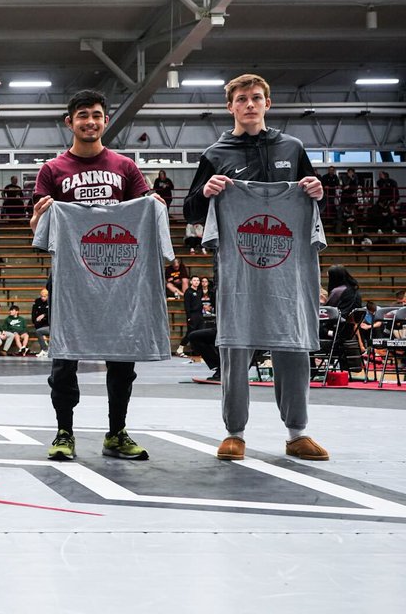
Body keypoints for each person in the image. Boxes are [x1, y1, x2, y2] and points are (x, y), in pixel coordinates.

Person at [183, 73, 328, 462]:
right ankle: (234, 433)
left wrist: (319, 193)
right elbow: (190, 211)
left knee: (293, 348)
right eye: (242, 99)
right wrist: (206, 192)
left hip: (289, 272)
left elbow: (321, 206)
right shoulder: (216, 154)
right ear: (230, 106)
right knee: (234, 348)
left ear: (268, 103)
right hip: (237, 272)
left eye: (257, 98)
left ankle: (298, 432)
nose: (250, 104)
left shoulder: (293, 148)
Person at [31, 88, 159, 462]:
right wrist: (40, 216)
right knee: (64, 359)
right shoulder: (52, 170)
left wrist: (156, 207)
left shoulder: (125, 167)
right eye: (83, 114)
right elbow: (36, 230)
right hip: (70, 278)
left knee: (123, 358)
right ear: (69, 122)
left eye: (97, 115)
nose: (90, 121)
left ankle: (116, 432)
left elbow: (146, 214)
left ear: (105, 121)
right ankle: (64, 432)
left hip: (119, 277)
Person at [31, 287, 50, 358]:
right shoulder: (37, 301)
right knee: (38, 331)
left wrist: (44, 315)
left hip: (50, 324)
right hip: (40, 324)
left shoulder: (51, 301)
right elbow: (33, 314)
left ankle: (46, 350)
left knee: (39, 332)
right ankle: (45, 350)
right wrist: (35, 322)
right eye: (41, 296)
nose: (43, 298)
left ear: (48, 296)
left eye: (44, 296)